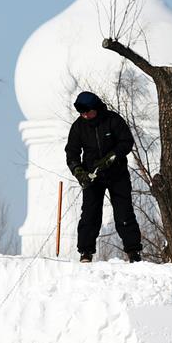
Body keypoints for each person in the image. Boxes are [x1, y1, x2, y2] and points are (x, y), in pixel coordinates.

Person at [65, 91, 142, 263]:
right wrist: (79, 172)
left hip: (117, 174)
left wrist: (110, 158)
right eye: (82, 113)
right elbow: (71, 153)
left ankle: (133, 251)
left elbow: (126, 142)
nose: (85, 115)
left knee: (124, 213)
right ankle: (85, 252)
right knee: (90, 214)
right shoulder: (78, 127)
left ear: (96, 108)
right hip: (92, 177)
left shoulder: (113, 120)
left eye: (87, 112)